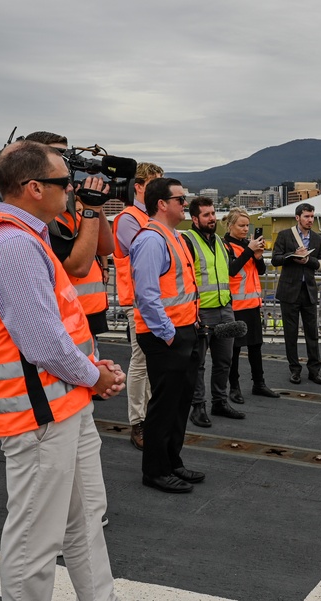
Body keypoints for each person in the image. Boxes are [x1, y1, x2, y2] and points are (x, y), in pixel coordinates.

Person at [0, 140, 125, 601]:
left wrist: (93, 369)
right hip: (38, 415)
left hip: (60, 404)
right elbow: (43, 343)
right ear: (34, 188)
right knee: (37, 538)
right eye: (64, 183)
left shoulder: (25, 236)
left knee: (85, 520)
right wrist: (95, 376)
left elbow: (57, 331)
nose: (72, 190)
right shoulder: (12, 243)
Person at [130, 177, 204, 493]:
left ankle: (172, 461)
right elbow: (146, 294)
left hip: (184, 331)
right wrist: (169, 334)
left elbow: (182, 288)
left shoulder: (173, 236)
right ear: (162, 203)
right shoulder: (151, 240)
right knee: (163, 406)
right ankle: (155, 470)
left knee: (179, 404)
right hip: (166, 336)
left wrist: (192, 324)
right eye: (180, 198)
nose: (184, 203)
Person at [24, 132, 114, 356]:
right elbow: (78, 267)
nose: (66, 163)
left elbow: (106, 248)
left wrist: (95, 205)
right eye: (58, 155)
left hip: (87, 313)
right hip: (63, 318)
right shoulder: (42, 214)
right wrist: (91, 210)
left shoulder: (72, 204)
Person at [112, 162, 164, 450]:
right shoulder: (128, 218)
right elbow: (148, 255)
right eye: (155, 183)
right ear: (140, 185)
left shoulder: (145, 217)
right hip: (138, 300)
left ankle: (146, 415)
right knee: (141, 361)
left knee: (149, 361)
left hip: (153, 299)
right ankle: (137, 421)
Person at [182, 197, 243, 426]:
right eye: (206, 215)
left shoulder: (219, 240)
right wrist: (192, 310)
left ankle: (220, 401)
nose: (212, 218)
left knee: (224, 360)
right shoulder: (187, 241)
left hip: (224, 309)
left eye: (213, 213)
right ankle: (198, 406)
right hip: (202, 311)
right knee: (197, 362)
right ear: (194, 218)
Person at [222, 208, 279, 401]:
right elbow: (231, 270)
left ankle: (259, 383)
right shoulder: (225, 246)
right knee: (235, 350)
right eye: (241, 225)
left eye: (247, 225)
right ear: (230, 226)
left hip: (252, 304)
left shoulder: (248, 245)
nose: (246, 229)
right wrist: (249, 251)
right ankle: (234, 387)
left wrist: (258, 255)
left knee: (255, 346)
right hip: (235, 307)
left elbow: (261, 271)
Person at [271, 202, 321, 385]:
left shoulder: (318, 239)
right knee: (291, 333)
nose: (310, 220)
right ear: (297, 218)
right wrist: (293, 256)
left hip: (309, 291)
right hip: (289, 291)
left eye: (312, 216)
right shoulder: (284, 235)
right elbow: (275, 260)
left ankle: (314, 370)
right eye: (306, 216)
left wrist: (308, 261)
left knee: (312, 333)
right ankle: (294, 370)